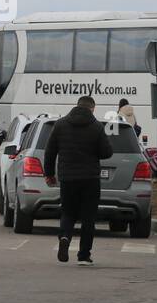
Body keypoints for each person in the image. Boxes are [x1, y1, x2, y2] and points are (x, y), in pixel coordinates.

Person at [44, 95, 113, 265]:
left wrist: (49, 174)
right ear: (92, 108)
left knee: (68, 212)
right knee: (88, 217)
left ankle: (65, 237)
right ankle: (83, 255)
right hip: (90, 179)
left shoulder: (60, 125)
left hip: (68, 178)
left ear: (77, 106)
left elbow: (50, 151)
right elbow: (106, 152)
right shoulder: (96, 127)